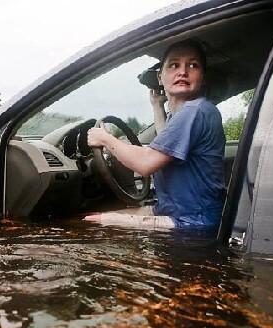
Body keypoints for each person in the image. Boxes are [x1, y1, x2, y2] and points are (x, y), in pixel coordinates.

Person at [85, 39, 226, 230]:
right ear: (160, 77)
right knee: (99, 217)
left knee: (92, 224)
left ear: (203, 76)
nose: (183, 72)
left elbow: (145, 163)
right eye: (174, 65)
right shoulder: (194, 112)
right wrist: (158, 105)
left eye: (192, 65)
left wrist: (104, 138)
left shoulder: (194, 111)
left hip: (191, 222)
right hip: (176, 212)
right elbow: (165, 143)